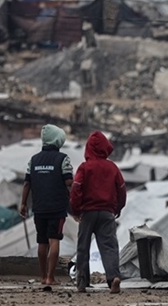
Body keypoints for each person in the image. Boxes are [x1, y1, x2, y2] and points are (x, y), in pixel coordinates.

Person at [69, 131, 127, 294]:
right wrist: (118, 208)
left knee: (83, 247)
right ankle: (113, 277)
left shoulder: (84, 167)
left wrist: (76, 209)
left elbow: (76, 189)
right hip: (107, 212)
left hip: (87, 213)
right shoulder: (112, 167)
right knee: (109, 246)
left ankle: (82, 282)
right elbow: (122, 190)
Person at [19, 124, 74, 287]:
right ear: (58, 140)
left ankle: (43, 277)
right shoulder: (63, 158)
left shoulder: (34, 160)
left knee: (42, 242)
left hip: (39, 207)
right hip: (57, 207)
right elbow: (69, 182)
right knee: (54, 240)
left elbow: (27, 183)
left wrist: (23, 203)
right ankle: (51, 277)